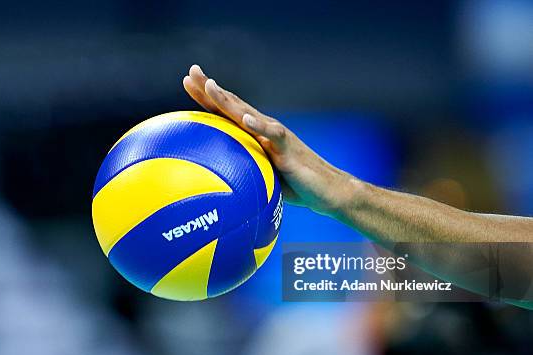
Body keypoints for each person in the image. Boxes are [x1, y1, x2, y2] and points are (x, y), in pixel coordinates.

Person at [182, 64, 533, 308]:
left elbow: (512, 269)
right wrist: (344, 194)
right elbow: (511, 267)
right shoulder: (307, 338)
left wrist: (345, 194)